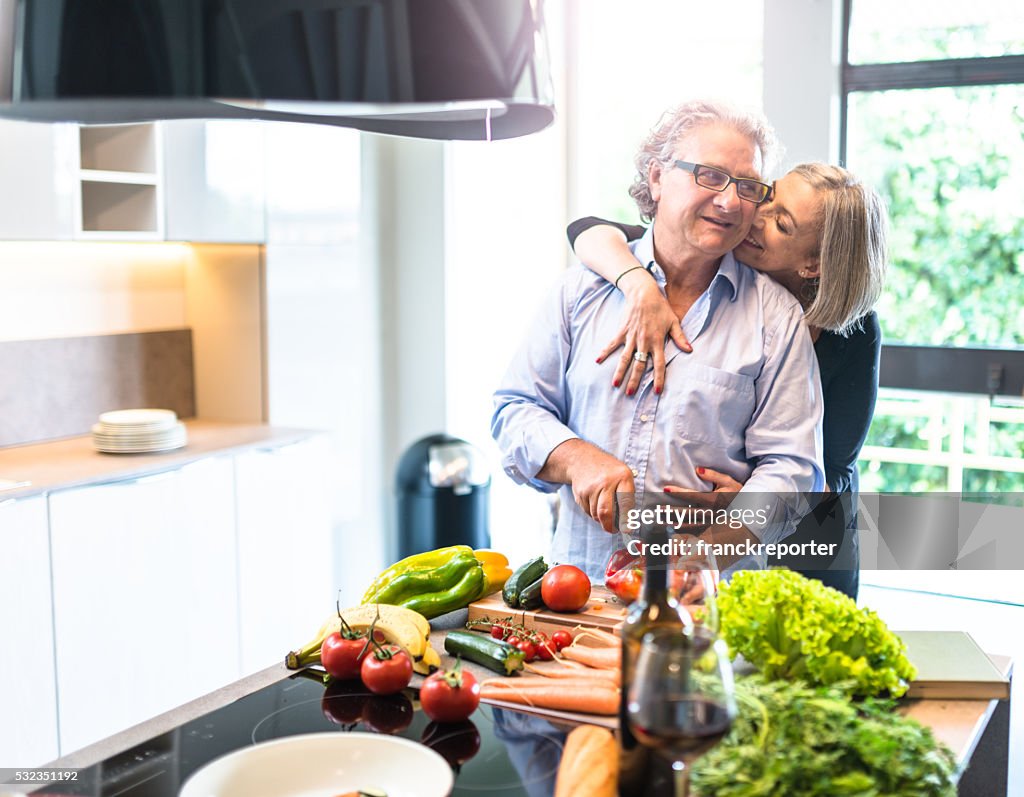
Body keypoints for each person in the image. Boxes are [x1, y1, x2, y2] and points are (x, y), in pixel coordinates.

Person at [491, 100, 825, 580]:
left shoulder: (776, 318)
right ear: (656, 178)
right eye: (709, 176)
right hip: (577, 592)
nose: (730, 202)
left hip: (709, 602)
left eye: (747, 186)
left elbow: (793, 470)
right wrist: (575, 459)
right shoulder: (579, 291)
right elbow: (514, 410)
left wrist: (708, 554)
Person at [568, 162, 888, 597]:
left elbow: (830, 467)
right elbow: (588, 230)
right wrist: (639, 285)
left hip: (807, 549)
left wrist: (751, 502)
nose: (755, 216)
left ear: (814, 264)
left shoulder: (853, 332)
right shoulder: (713, 255)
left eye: (782, 223)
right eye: (769, 196)